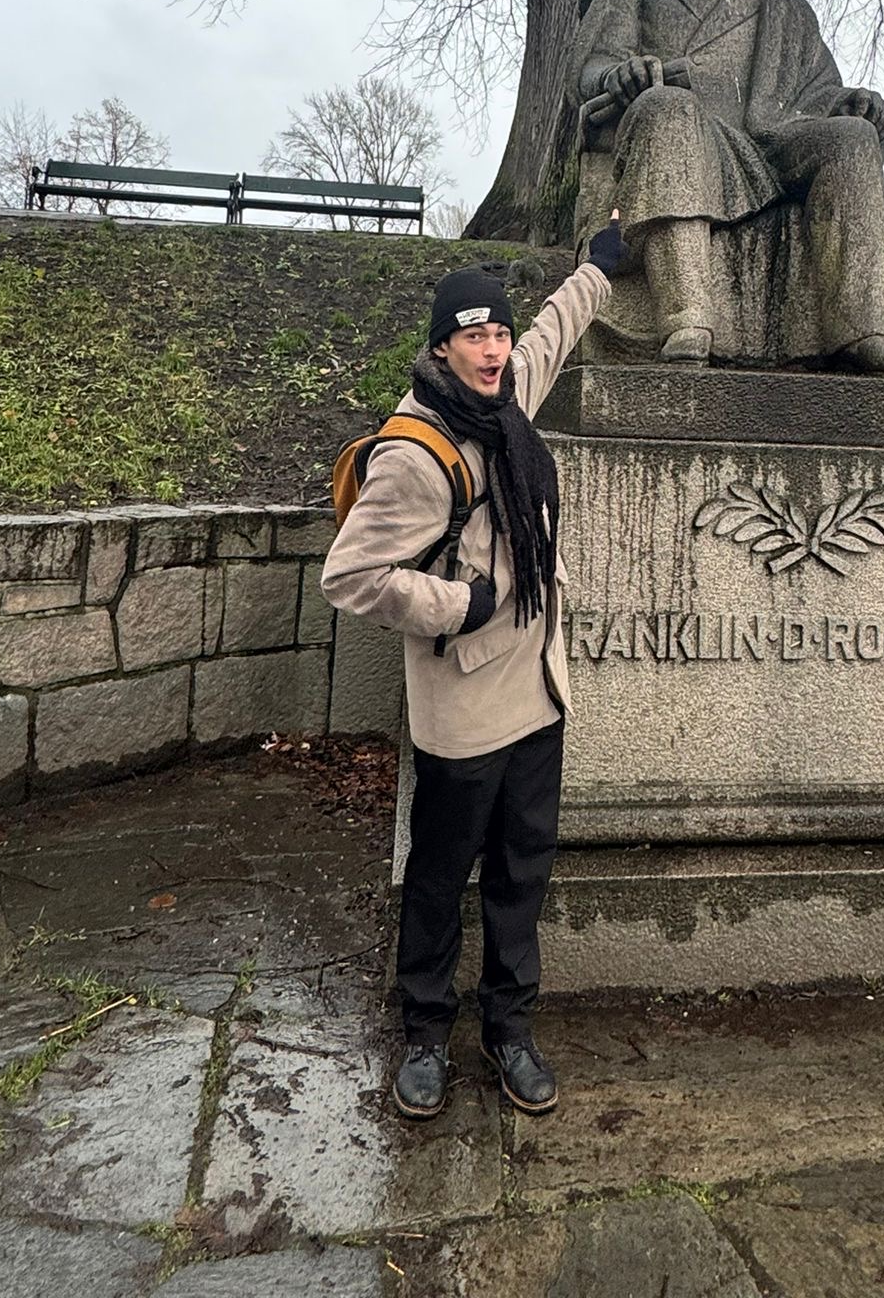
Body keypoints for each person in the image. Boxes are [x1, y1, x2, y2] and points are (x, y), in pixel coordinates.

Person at [320, 217, 624, 1120]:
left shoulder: (507, 395)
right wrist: (462, 605)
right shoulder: (415, 454)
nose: (493, 350)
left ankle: (508, 1028)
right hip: (461, 702)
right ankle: (424, 1031)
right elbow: (350, 575)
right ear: (442, 349)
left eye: (497, 333)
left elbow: (552, 334)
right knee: (441, 872)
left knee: (522, 871)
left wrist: (597, 270)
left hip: (537, 690)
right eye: (474, 337)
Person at [571, 0, 884, 373]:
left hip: (767, 139)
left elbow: (815, 89)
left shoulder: (780, 1)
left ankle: (862, 329)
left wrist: (845, 102)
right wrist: (618, 74)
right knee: (669, 109)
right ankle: (686, 315)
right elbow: (590, 70)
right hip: (684, 135)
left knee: (852, 138)